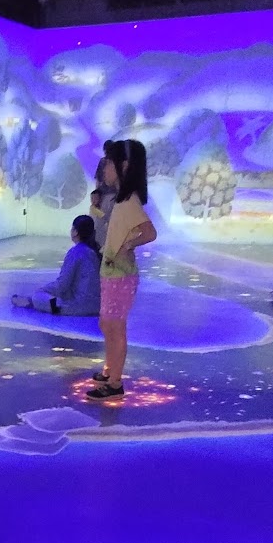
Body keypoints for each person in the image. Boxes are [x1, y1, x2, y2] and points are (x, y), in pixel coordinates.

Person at [89, 140, 157, 402]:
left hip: (120, 275)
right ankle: (109, 370)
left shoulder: (128, 201)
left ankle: (115, 382)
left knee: (114, 326)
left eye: (109, 163)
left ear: (124, 166)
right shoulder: (121, 199)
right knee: (107, 324)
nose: (104, 168)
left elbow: (149, 232)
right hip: (112, 273)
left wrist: (127, 245)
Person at [12, 215, 101, 316]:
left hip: (80, 306)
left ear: (75, 232)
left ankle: (31, 301)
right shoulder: (95, 251)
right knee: (58, 294)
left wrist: (43, 290)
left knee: (39, 296)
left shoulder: (76, 252)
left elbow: (62, 284)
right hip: (97, 305)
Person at [89, 143, 119, 249]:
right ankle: (102, 246)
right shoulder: (105, 161)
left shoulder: (106, 161)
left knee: (100, 222)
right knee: (101, 222)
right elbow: (98, 180)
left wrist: (96, 195)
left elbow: (98, 181)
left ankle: (102, 246)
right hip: (105, 196)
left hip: (108, 196)